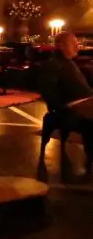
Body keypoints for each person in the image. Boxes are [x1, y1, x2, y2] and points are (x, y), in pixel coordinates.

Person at [39, 32, 93, 174]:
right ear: (61, 46)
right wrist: (62, 109)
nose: (77, 46)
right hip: (71, 109)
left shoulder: (69, 63)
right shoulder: (53, 64)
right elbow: (48, 91)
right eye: (73, 43)